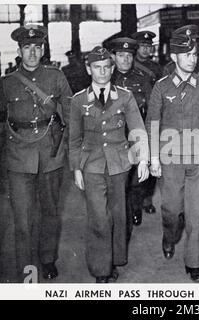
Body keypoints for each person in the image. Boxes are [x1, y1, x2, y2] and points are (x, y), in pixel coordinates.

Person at [0, 24, 72, 282]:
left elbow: (71, 113)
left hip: (50, 152)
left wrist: (73, 146)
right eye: (27, 48)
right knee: (22, 217)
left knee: (49, 212)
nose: (33, 52)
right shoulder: (6, 83)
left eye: (37, 47)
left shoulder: (55, 76)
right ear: (19, 50)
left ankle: (47, 259)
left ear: (43, 49)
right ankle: (28, 270)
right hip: (17, 156)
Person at [69, 46, 149, 283]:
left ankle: (114, 259)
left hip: (119, 163)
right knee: (99, 217)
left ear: (112, 69)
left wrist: (143, 159)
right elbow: (74, 139)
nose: (102, 72)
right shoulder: (78, 100)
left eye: (106, 67)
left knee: (117, 214)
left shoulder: (125, 96)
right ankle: (101, 268)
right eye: (96, 67)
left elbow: (137, 129)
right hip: (91, 164)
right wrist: (76, 169)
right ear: (88, 69)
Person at [146, 25, 199, 282]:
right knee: (171, 209)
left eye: (195, 53)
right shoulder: (161, 87)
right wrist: (153, 157)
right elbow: (152, 123)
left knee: (197, 211)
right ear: (174, 57)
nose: (193, 58)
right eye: (187, 54)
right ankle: (169, 235)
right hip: (171, 158)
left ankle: (194, 262)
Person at [110, 37, 155, 233]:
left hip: (137, 135)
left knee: (137, 180)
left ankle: (136, 207)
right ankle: (123, 218)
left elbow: (153, 109)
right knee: (119, 182)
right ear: (113, 57)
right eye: (121, 55)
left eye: (129, 55)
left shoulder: (143, 79)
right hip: (114, 137)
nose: (126, 60)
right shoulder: (106, 79)